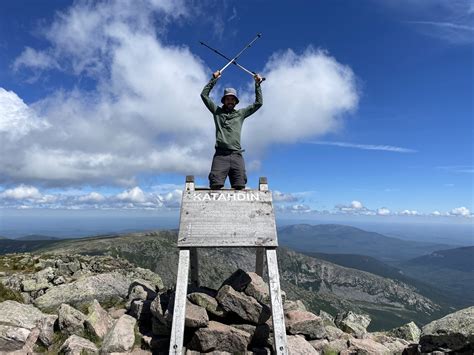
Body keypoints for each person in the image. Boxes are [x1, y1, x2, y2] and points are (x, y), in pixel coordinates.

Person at [200, 70, 263, 190]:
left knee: (240, 186)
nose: (230, 101)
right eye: (228, 99)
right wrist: (214, 79)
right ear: (223, 100)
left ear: (236, 101)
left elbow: (259, 103)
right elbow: (204, 95)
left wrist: (257, 84)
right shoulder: (217, 112)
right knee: (215, 185)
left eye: (232, 99)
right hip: (220, 155)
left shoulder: (241, 113)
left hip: (237, 156)